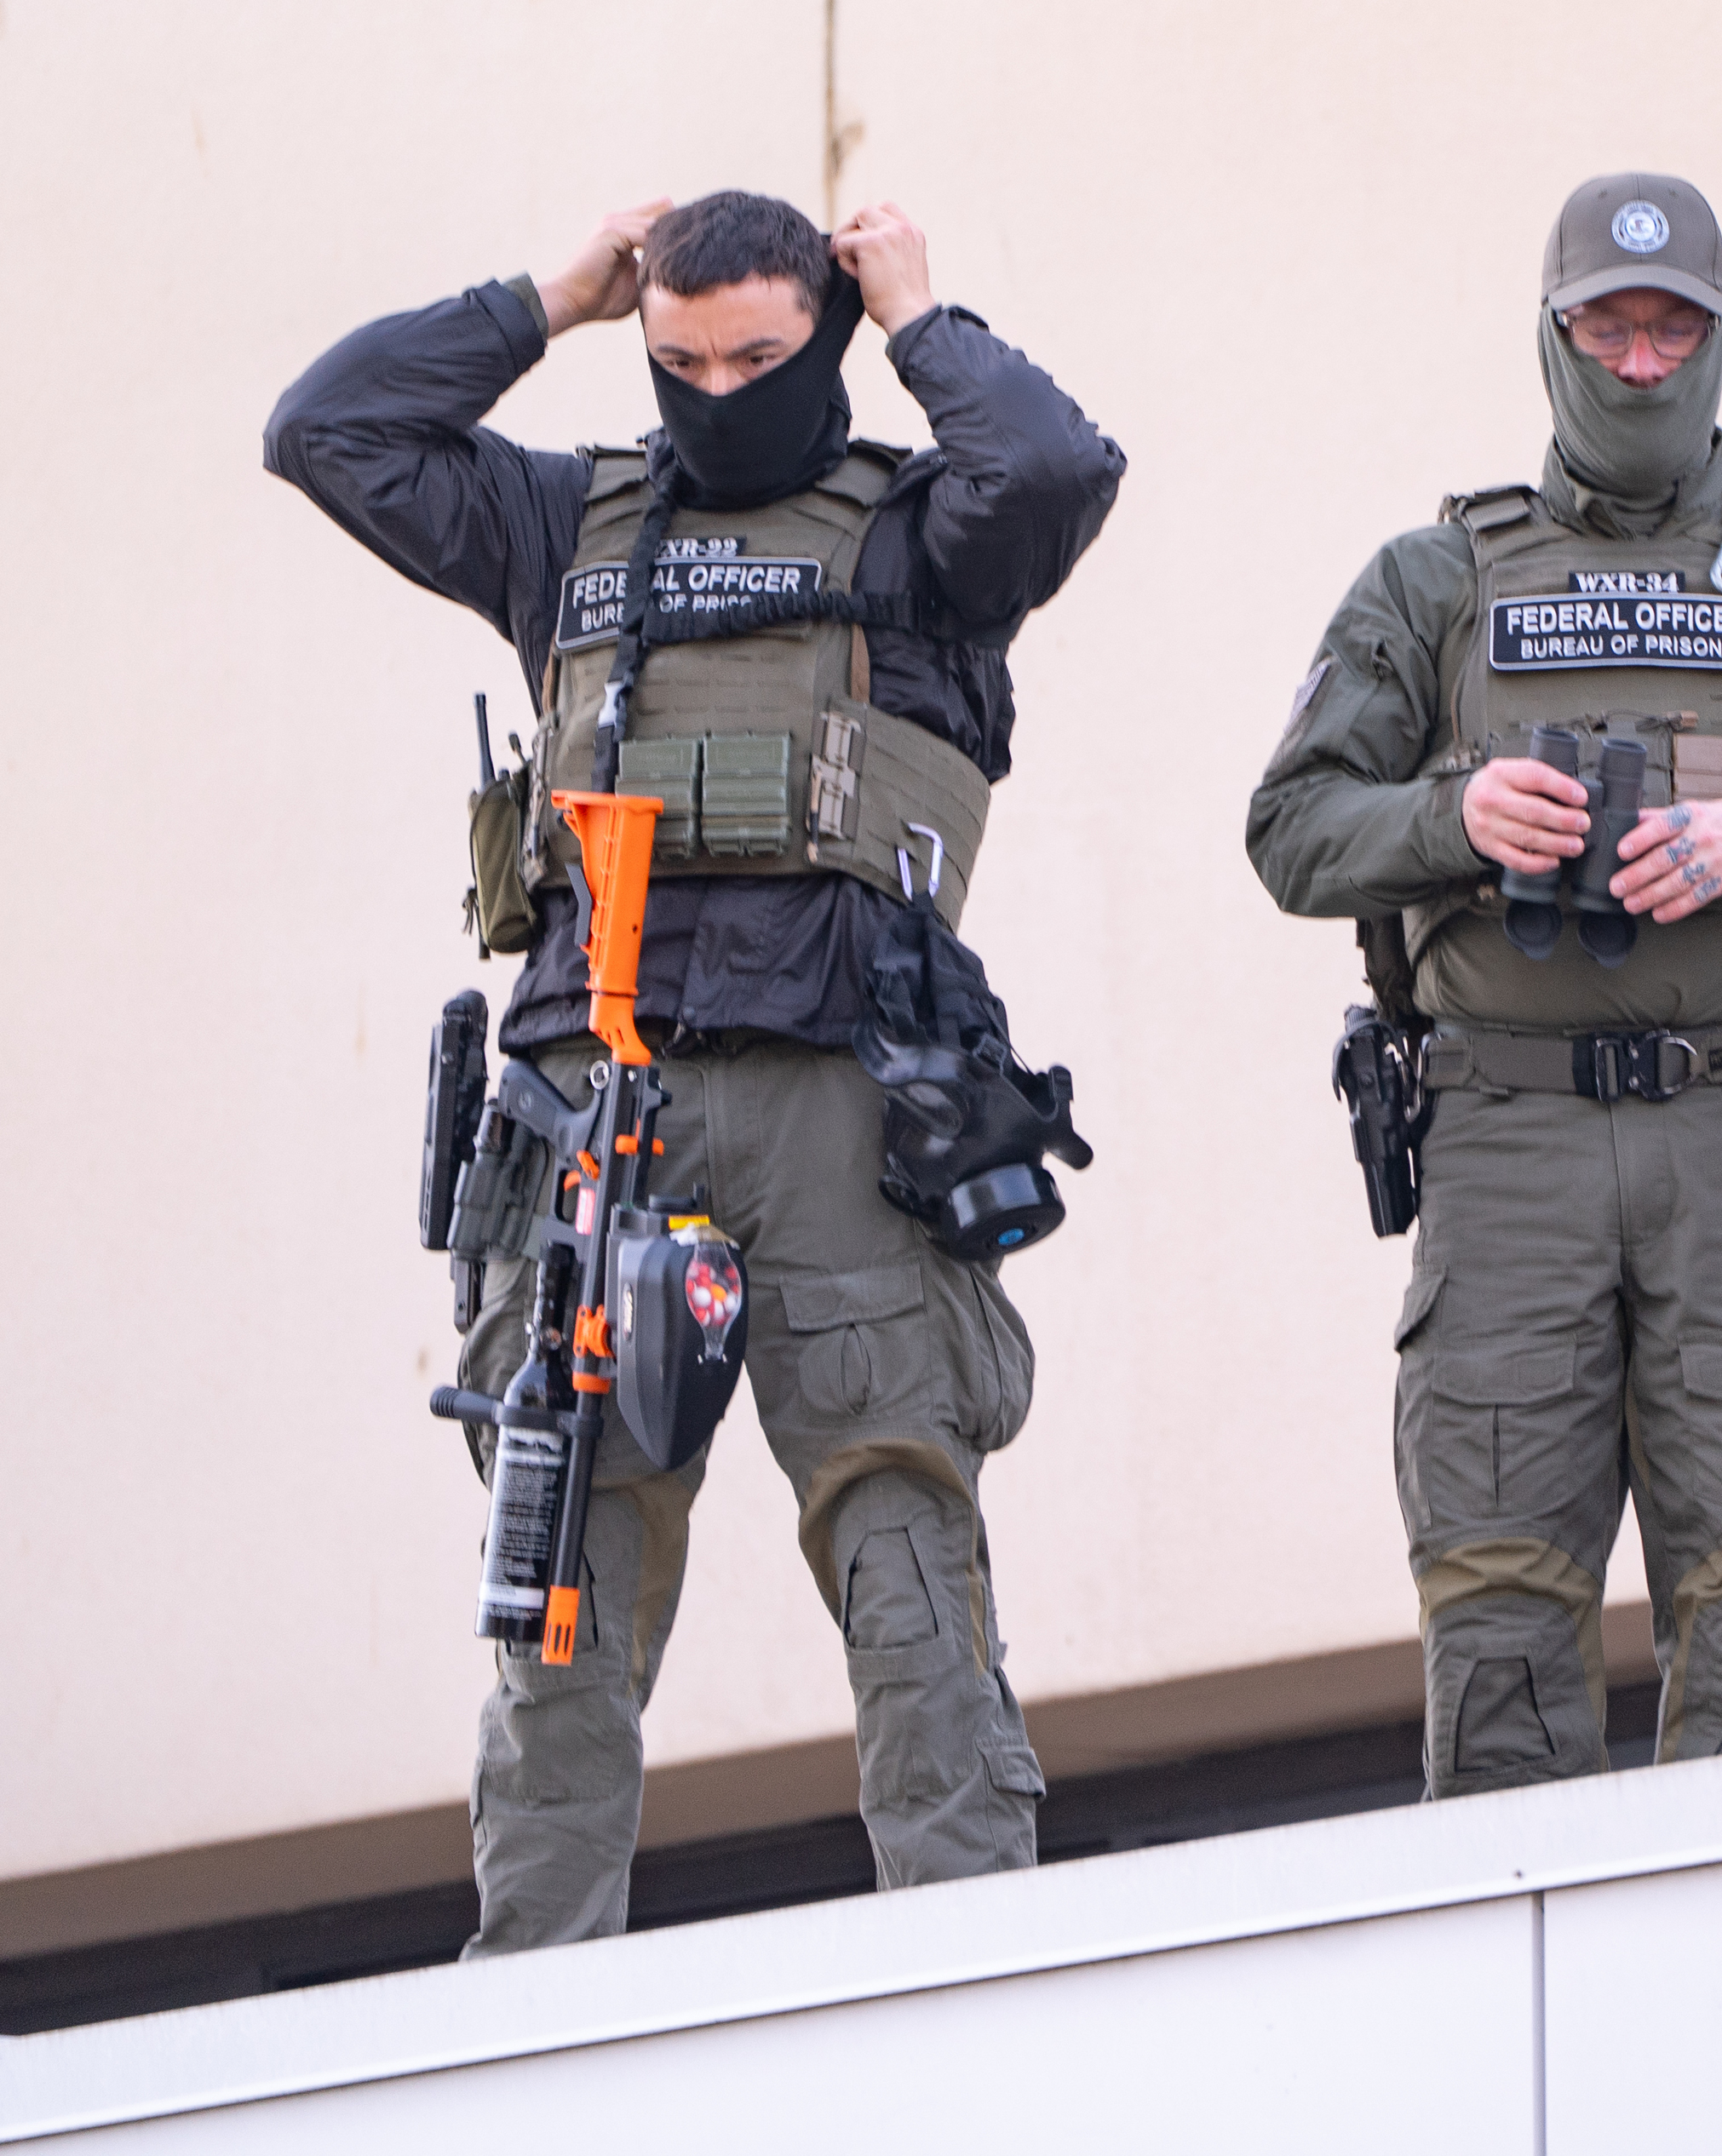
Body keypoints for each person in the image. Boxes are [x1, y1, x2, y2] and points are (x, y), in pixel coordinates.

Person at [267, 191, 1124, 1949]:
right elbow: (326, 430)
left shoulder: (925, 530)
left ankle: (974, 1965)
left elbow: (1050, 467)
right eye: (679, 363)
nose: (718, 392)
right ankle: (532, 2004)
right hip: (597, 1108)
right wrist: (548, 296)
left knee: (903, 1536)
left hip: (847, 1101)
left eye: (758, 355)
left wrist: (918, 320)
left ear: (820, 328)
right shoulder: (560, 521)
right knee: (558, 1570)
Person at [1248, 174, 1722, 1796]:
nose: (1644, 361)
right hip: (1504, 1143)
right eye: (1613, 324)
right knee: (1500, 1625)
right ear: (1556, 337)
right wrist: (1451, 816)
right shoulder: (1434, 582)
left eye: (1675, 328)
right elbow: (1290, 830)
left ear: (1720, 344)